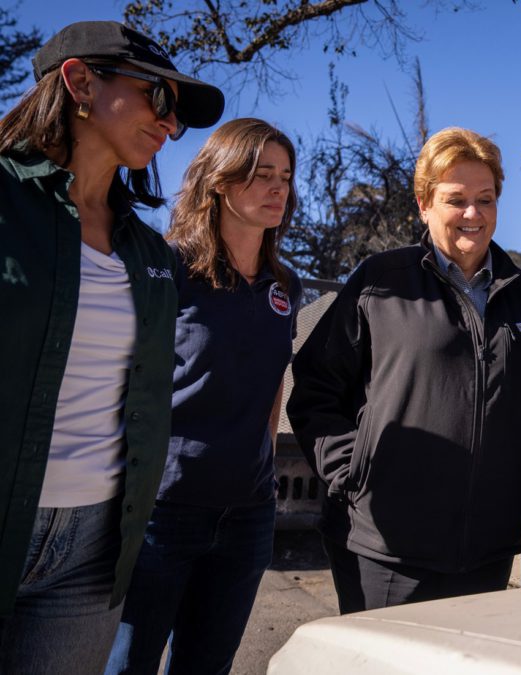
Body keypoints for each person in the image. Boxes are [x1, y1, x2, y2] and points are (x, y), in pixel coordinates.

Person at [0, 20, 223, 674]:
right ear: (79, 83)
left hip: (95, 551)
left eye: (177, 115)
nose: (170, 124)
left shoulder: (150, 253)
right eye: (158, 97)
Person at [287, 127, 521, 612]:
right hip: (386, 548)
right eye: (456, 199)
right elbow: (316, 387)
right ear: (425, 204)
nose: (473, 214)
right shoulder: (381, 284)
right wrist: (352, 473)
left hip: (487, 552)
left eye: (485, 199)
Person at [105, 118, 302, 674]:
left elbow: (272, 388)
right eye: (261, 174)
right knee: (127, 667)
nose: (278, 189)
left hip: (248, 517)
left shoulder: (285, 287)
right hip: (162, 514)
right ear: (219, 182)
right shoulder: (167, 270)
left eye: (285, 176)